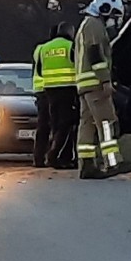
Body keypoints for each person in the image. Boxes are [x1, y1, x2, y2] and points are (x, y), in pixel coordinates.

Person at [75, 0, 125, 179]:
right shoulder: (94, 26)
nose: (112, 20)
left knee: (86, 125)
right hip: (95, 84)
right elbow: (95, 53)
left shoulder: (85, 25)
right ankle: (113, 162)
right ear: (104, 9)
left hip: (84, 85)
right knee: (106, 123)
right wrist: (105, 80)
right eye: (112, 15)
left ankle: (87, 165)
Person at [40, 22, 79, 169]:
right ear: (70, 32)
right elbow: (79, 65)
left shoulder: (45, 47)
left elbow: (39, 69)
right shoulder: (70, 46)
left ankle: (59, 157)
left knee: (56, 124)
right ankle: (54, 155)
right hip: (68, 88)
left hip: (49, 90)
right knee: (67, 124)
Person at [31, 24, 59, 168]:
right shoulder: (63, 47)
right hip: (55, 90)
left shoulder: (40, 49)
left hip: (40, 91)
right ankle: (53, 156)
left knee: (42, 127)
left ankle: (38, 158)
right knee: (58, 125)